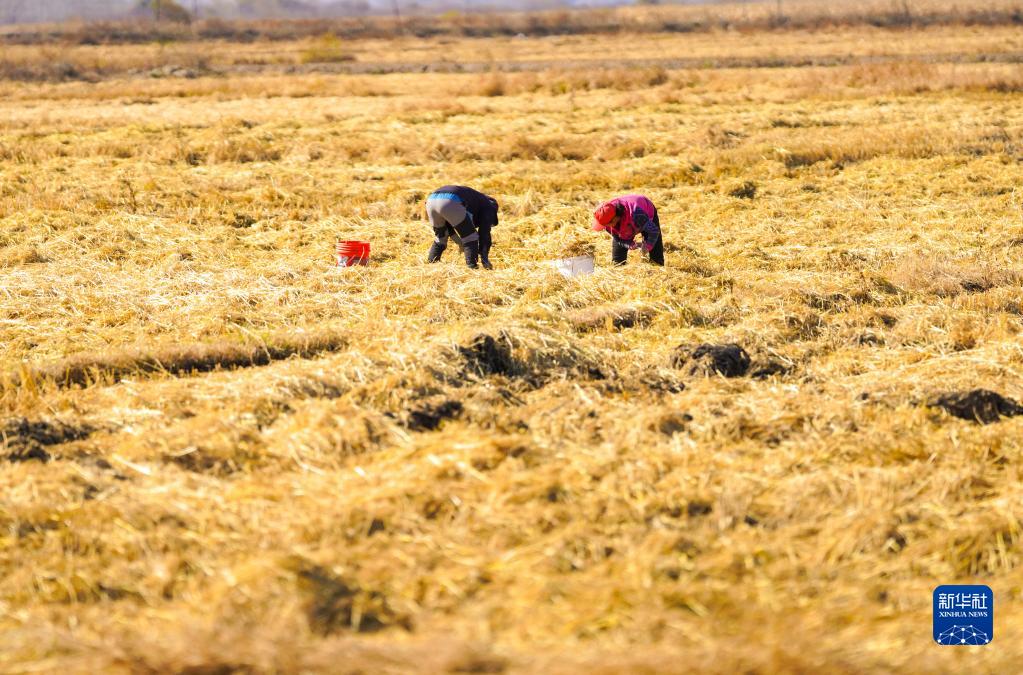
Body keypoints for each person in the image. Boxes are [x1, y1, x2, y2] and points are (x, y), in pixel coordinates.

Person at [425, 185, 499, 269]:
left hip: (431, 200)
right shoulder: (489, 207)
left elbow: (449, 228)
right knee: (471, 237)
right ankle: (472, 268)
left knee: (441, 237)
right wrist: (485, 259)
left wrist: (460, 243)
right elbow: (484, 234)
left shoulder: (474, 201)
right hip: (451, 200)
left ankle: (431, 265)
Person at [592, 194, 664, 266]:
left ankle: (657, 265)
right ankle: (618, 270)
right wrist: (628, 244)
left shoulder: (636, 214)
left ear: (614, 219)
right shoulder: (606, 218)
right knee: (618, 259)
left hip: (644, 209)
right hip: (629, 219)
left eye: (606, 224)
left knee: (655, 249)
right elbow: (618, 239)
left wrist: (648, 246)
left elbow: (654, 231)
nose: (605, 227)